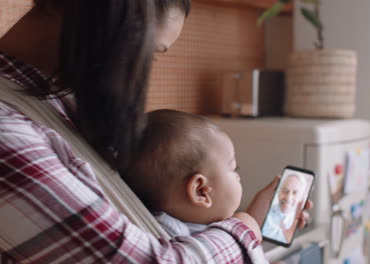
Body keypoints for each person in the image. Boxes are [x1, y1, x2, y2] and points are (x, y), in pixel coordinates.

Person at [0, 0, 311, 263]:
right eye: (145, 52)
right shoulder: (8, 131)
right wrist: (246, 227)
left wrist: (251, 218)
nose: (141, 72)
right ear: (103, 20)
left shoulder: (61, 104)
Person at [123, 110, 261, 248]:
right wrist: (241, 229)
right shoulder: (176, 237)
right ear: (201, 191)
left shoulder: (194, 221)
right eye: (233, 169)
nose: (238, 177)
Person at [261, 174, 308, 244]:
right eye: (285, 191)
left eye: (295, 193)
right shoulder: (264, 212)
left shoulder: (300, 221)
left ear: (301, 197)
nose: (288, 197)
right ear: (278, 192)